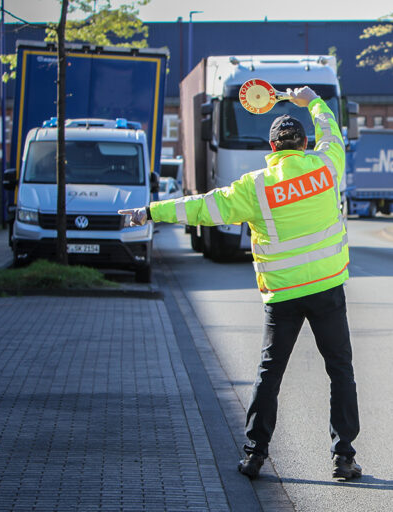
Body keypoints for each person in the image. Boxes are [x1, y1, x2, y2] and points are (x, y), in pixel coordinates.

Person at [119, 86, 361, 479]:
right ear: (303, 145)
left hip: (283, 295)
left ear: (272, 147)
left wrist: (150, 211)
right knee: (340, 371)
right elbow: (332, 133)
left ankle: (255, 454)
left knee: (270, 373)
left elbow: (201, 207)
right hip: (327, 288)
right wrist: (314, 101)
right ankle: (344, 458)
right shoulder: (327, 166)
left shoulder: (255, 187)